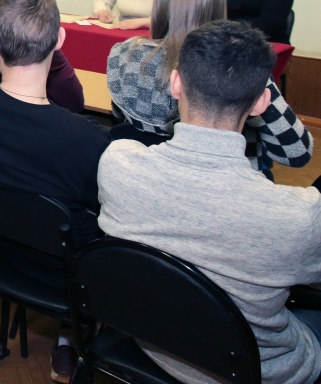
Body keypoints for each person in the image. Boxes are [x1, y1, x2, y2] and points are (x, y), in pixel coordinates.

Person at [98, 20, 321, 384]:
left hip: (152, 339)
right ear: (261, 102)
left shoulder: (117, 163)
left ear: (176, 84)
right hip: (257, 369)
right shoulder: (298, 217)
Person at [0, 0, 110, 383]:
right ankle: (71, 342)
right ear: (60, 41)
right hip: (66, 275)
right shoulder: (86, 140)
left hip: (0, 250)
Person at [107, 0, 311, 174]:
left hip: (145, 174)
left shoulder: (125, 53)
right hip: (227, 181)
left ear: (159, 3)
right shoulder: (237, 65)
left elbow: (119, 116)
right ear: (220, 4)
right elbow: (296, 152)